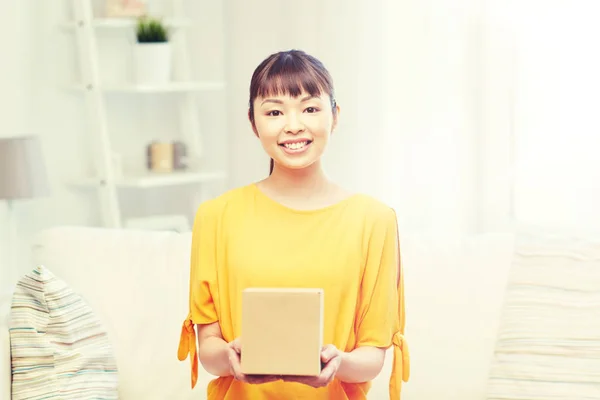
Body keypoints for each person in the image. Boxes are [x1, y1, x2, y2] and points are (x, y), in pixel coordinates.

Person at [177, 49, 410, 400]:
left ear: (335, 116)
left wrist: (339, 363)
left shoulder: (375, 221)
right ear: (253, 123)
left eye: (310, 108)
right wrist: (229, 356)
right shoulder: (215, 217)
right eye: (274, 111)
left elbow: (372, 355)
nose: (293, 125)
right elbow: (208, 346)